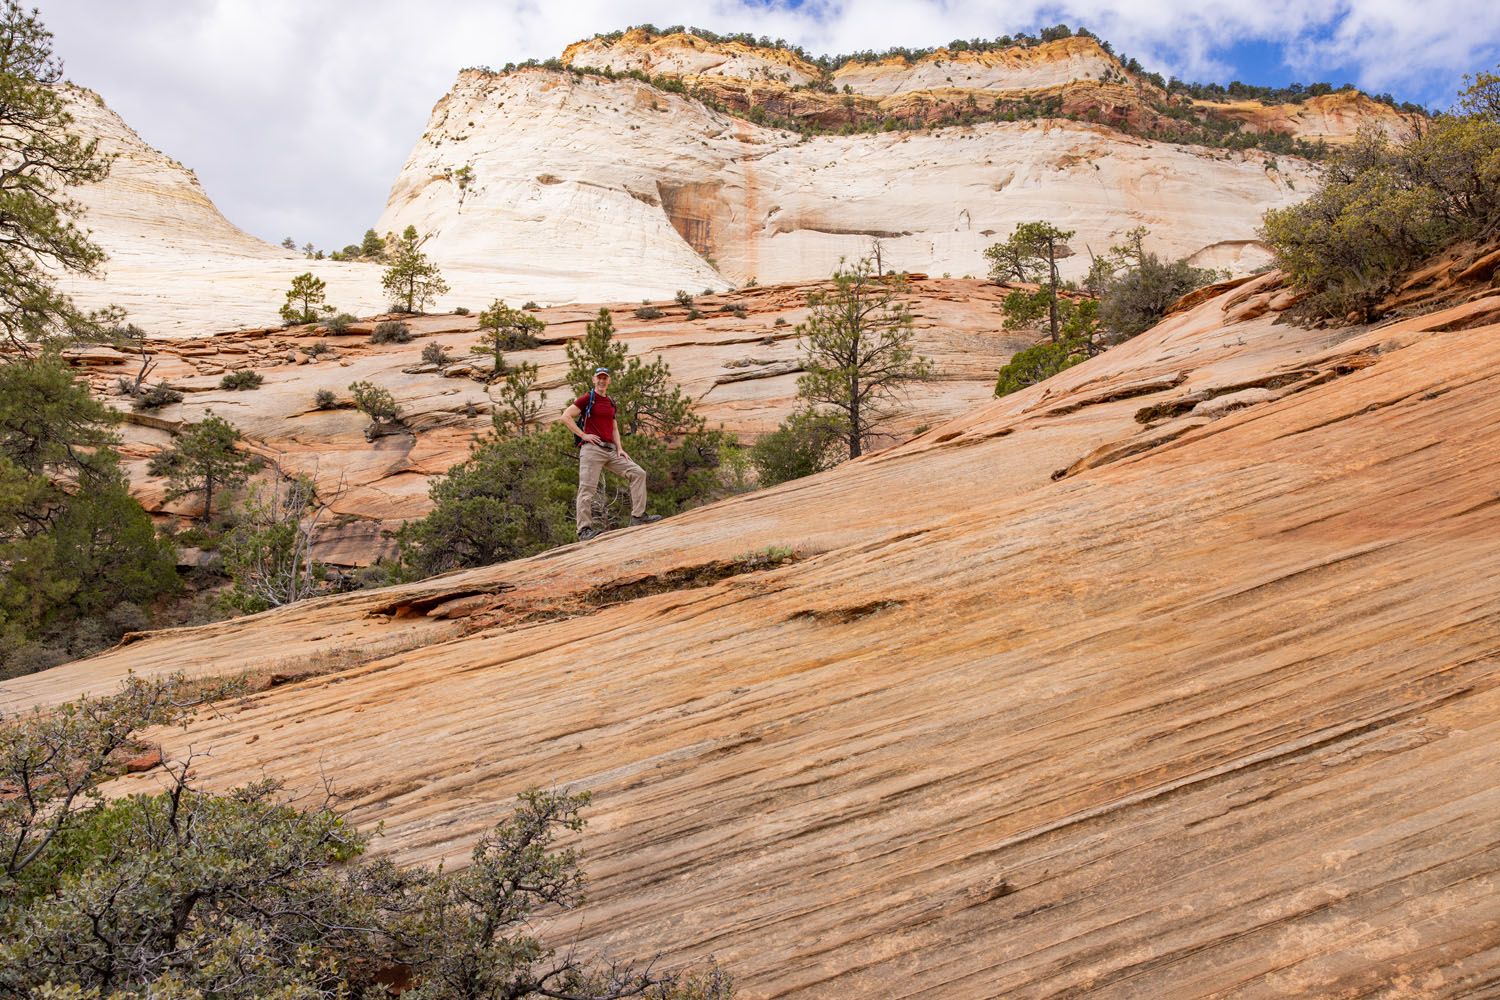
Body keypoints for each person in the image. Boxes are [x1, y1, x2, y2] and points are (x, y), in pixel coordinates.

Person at [561, 367, 662, 540]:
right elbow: (565, 416)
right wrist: (583, 435)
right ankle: (584, 530)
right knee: (587, 490)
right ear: (594, 380)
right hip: (592, 450)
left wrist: (620, 448)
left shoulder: (610, 402)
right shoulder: (588, 398)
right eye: (599, 378)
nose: (601, 381)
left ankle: (638, 517)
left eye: (604, 378)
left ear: (609, 381)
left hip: (610, 450)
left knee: (638, 473)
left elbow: (614, 427)